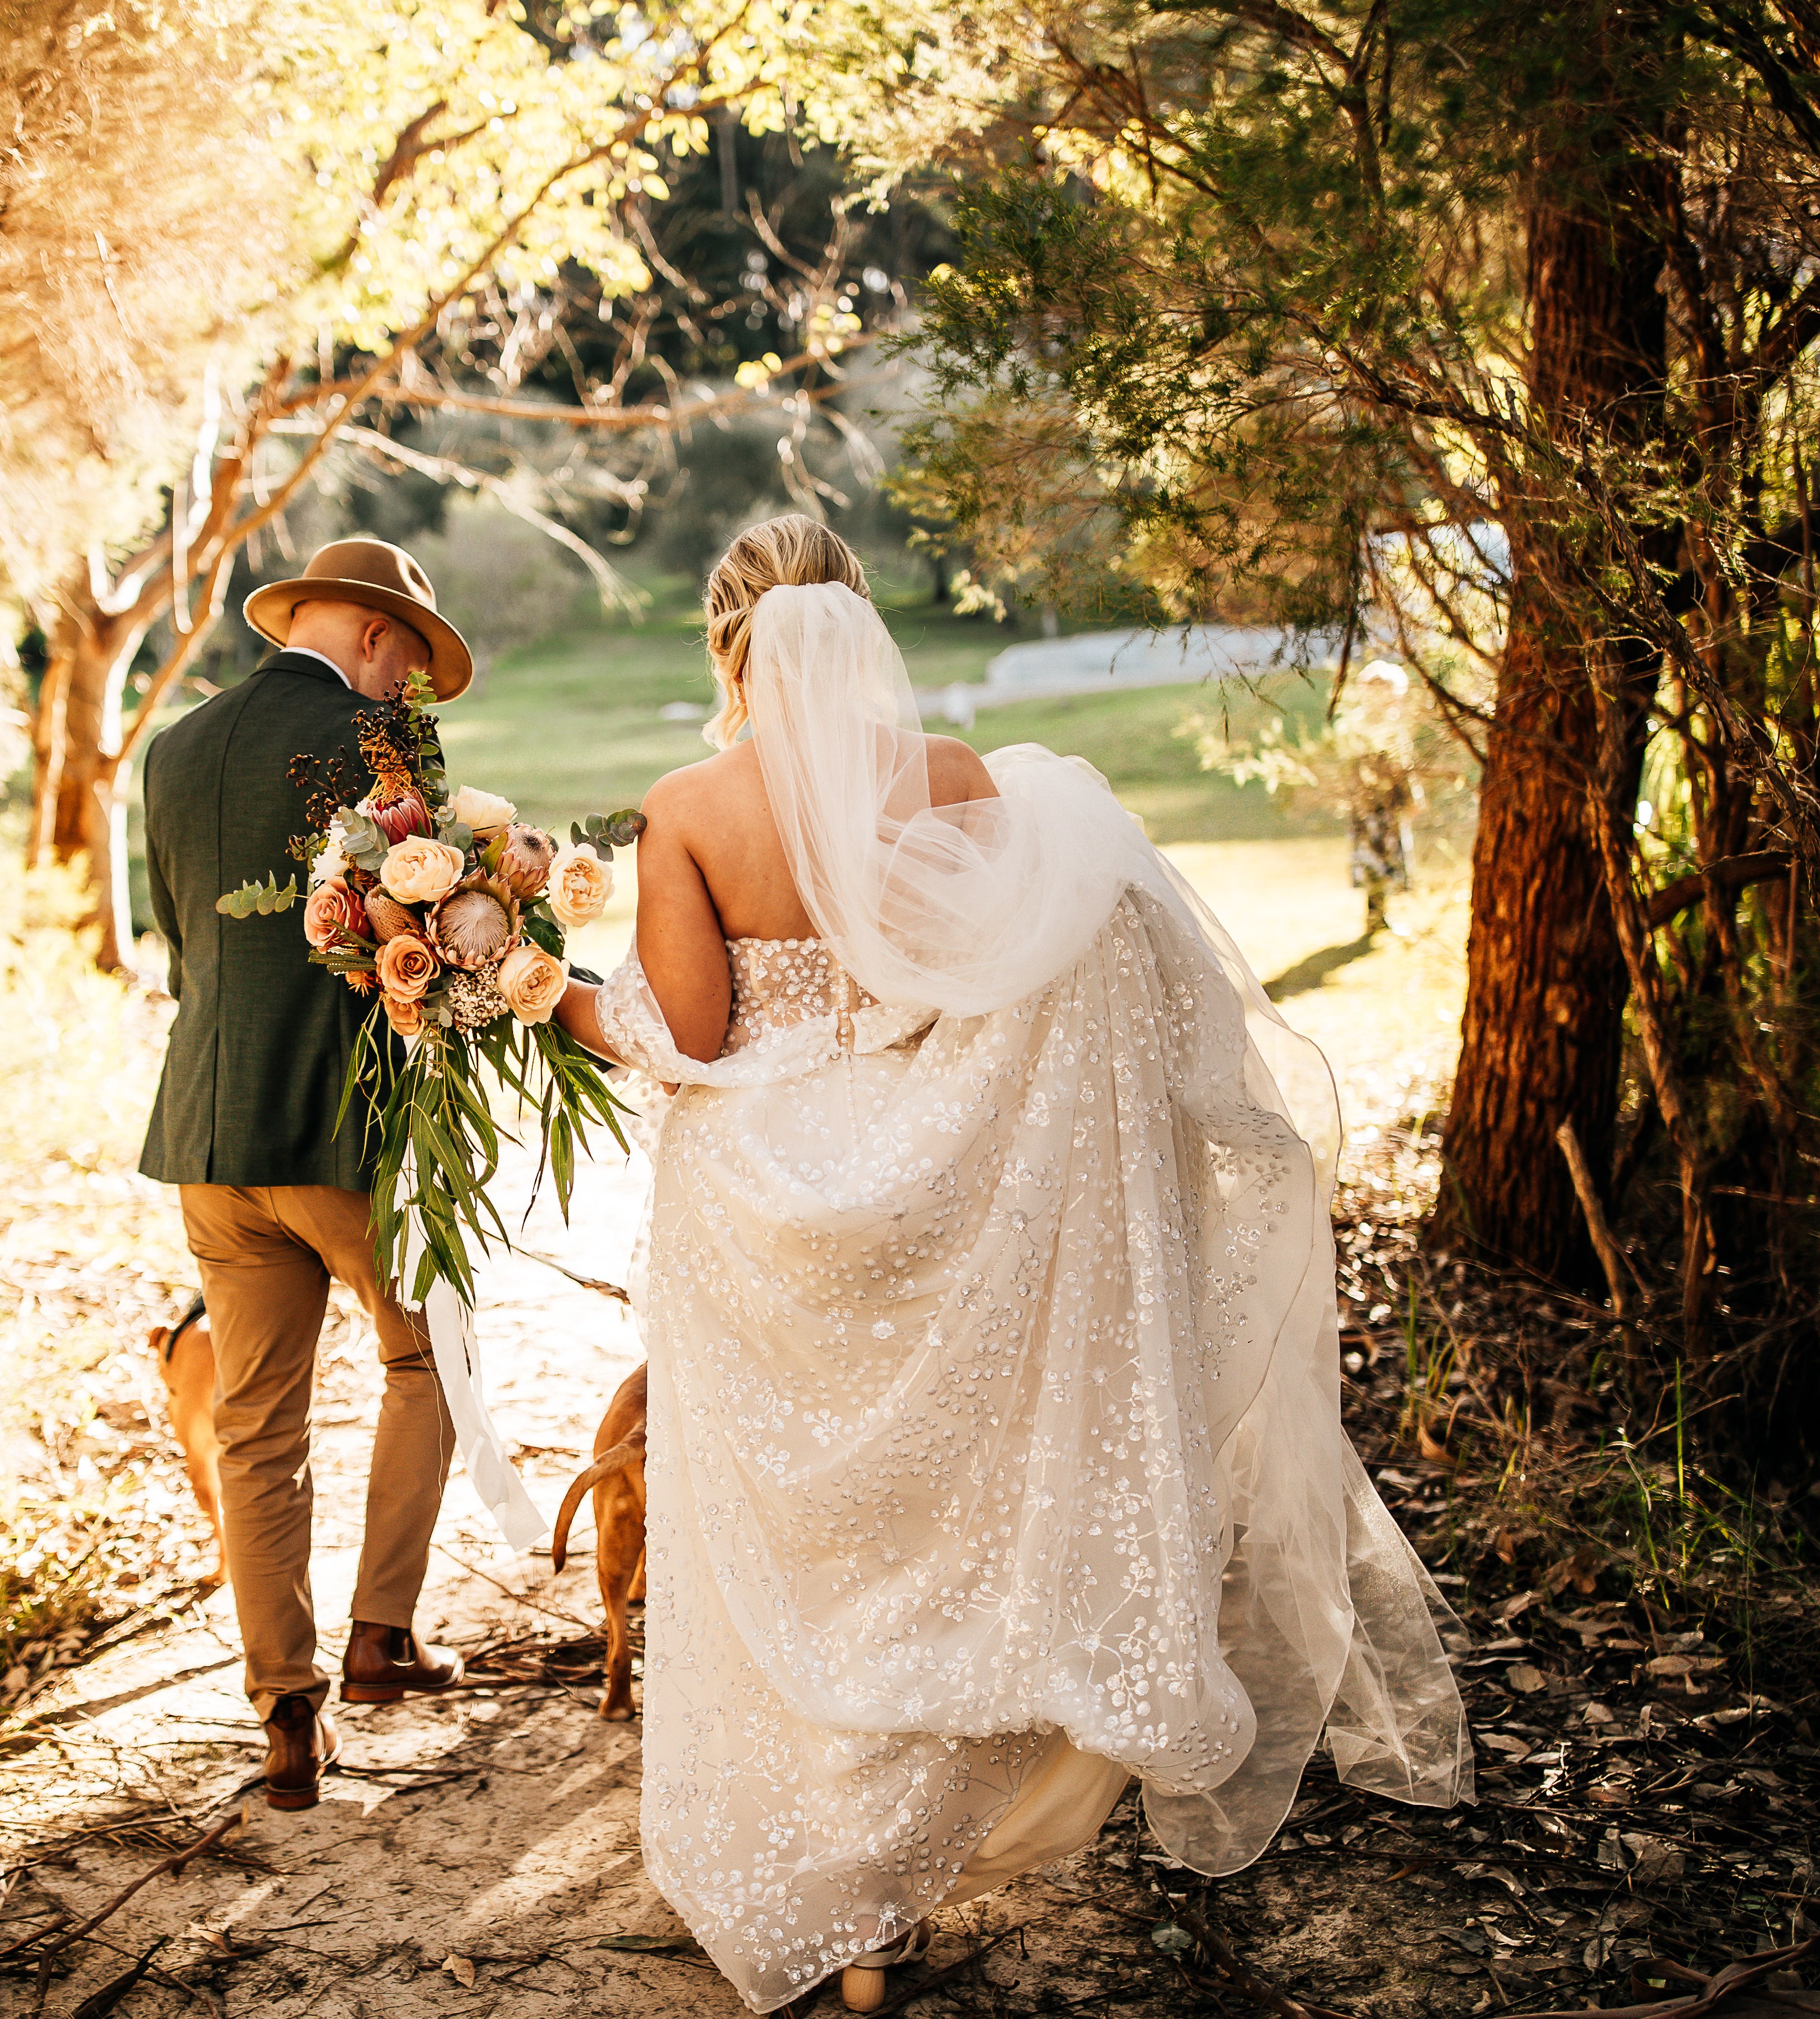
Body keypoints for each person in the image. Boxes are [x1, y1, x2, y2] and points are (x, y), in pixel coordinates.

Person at [552, 517, 1473, 2014]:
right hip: (940, 1198)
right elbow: (1005, 1002)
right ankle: (914, 1857)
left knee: (797, 1541)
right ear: (857, 624)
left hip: (769, 1210)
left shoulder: (690, 806)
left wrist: (547, 996)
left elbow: (694, 1039)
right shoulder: (968, 786)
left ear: (726, 639)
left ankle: (842, 1906)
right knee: (928, 1523)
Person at [139, 536, 478, 1811]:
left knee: (257, 1423)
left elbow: (184, 945)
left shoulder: (174, 748)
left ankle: (286, 1715)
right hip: (339, 1137)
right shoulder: (377, 753)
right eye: (409, 668)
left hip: (209, 1140)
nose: (407, 698)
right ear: (380, 637)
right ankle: (382, 1635)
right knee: (426, 1357)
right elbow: (434, 943)